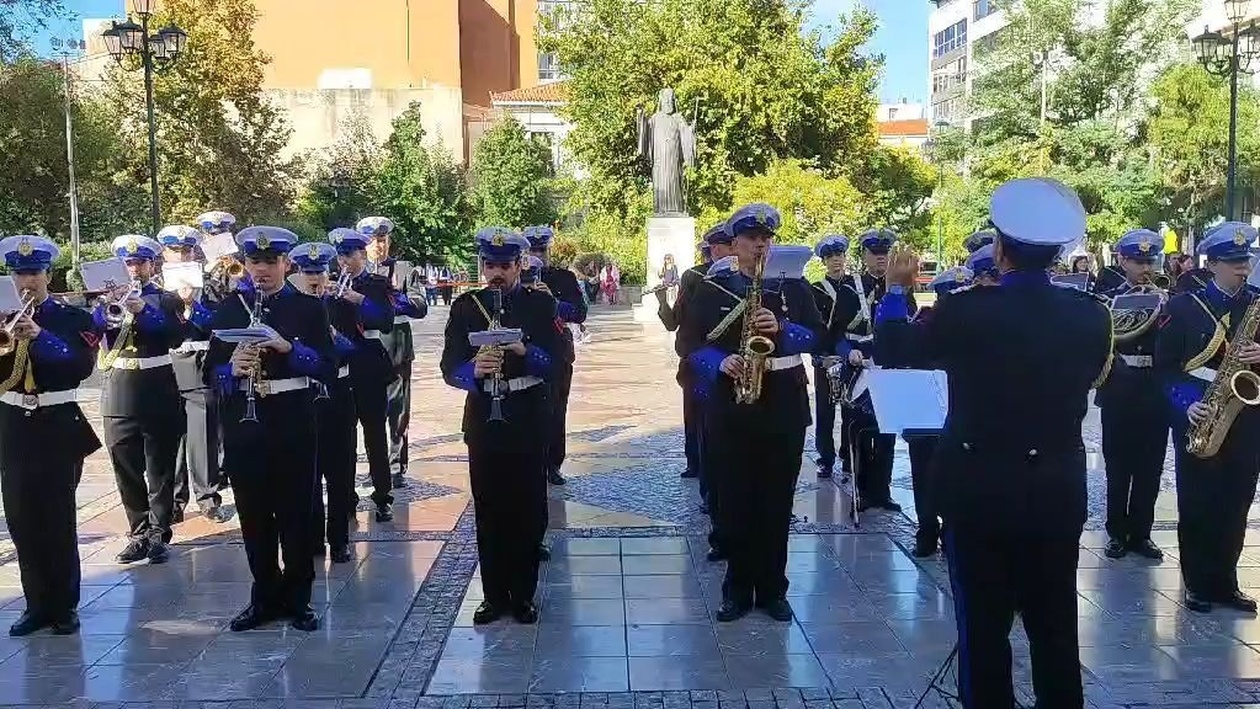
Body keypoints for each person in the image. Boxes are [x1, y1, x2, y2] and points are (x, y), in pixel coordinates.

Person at [875, 177, 1111, 708]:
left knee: (983, 632)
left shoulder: (965, 311)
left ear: (1000, 249)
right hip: (1054, 489)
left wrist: (896, 291)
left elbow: (894, 348)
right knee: (1055, 630)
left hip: (979, 490)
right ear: (1056, 252)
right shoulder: (1091, 314)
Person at [678, 204, 825, 622]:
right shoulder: (714, 288)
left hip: (783, 404)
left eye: (765, 239)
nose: (759, 245)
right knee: (735, 501)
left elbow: (816, 337)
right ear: (735, 243)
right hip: (732, 404)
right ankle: (737, 588)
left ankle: (774, 589)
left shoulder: (793, 287)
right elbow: (688, 344)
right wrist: (718, 363)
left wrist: (781, 329)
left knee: (777, 501)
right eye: (750, 239)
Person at [206, 226, 333, 632]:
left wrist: (288, 348)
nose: (261, 270)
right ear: (244, 264)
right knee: (254, 514)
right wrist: (231, 369)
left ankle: (299, 599)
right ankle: (263, 596)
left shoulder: (308, 308)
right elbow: (210, 370)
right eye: (254, 262)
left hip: (293, 417)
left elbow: (327, 367)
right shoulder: (230, 307)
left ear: (285, 264)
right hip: (245, 423)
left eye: (269, 262)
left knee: (296, 512)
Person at [440, 227, 562, 624]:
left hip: (527, 413)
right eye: (489, 265)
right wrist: (472, 370)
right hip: (482, 417)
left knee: (526, 507)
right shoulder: (465, 306)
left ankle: (524, 594)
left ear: (519, 266)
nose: (497, 273)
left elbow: (558, 364)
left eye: (505, 266)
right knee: (489, 508)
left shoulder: (539, 305)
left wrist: (524, 351)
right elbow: (448, 368)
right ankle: (493, 595)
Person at [1156, 221, 1260, 614]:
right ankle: (1197, 583)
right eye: (1233, 262)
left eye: (1245, 260)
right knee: (1199, 502)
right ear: (1211, 264)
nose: (1242, 268)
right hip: (1201, 412)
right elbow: (1165, 367)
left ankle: (1226, 582)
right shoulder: (1182, 307)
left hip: (1248, 417)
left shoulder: (1256, 303)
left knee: (1237, 501)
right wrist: (1185, 404)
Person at [0, 236, 100, 636]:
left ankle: (64, 605)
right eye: (20, 272)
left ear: (48, 274)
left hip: (56, 422)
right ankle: (35, 603)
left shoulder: (71, 317)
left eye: (34, 273)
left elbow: (80, 365)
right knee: (22, 518)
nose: (27, 280)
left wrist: (39, 335)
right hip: (12, 424)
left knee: (57, 518)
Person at [97, 235, 186, 565]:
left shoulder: (166, 299)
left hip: (157, 388)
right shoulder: (105, 299)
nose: (133, 269)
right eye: (128, 263)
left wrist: (143, 311)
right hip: (119, 389)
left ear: (152, 265)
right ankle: (137, 532)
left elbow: (177, 336)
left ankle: (158, 533)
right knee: (126, 468)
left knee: (159, 468)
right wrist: (105, 308)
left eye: (139, 263)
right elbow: (93, 334)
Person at [877, 265, 973, 558]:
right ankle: (928, 529)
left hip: (961, 415)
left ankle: (946, 531)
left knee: (953, 475)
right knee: (925, 472)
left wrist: (894, 291)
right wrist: (894, 292)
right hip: (928, 410)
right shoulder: (926, 325)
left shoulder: (981, 325)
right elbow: (889, 344)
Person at [1096, 229, 1168, 562]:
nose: (1145, 268)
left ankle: (1142, 532)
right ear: (1122, 260)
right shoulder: (1107, 299)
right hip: (1120, 388)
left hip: (1154, 389)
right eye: (1138, 261)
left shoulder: (1168, 298)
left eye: (1149, 261)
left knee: (1150, 466)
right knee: (1118, 465)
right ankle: (1116, 532)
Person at [292, 242, 357, 564]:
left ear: (328, 273)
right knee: (307, 471)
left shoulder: (340, 304)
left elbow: (356, 349)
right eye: (308, 272)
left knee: (340, 470)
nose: (314, 278)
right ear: (299, 274)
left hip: (339, 390)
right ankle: (314, 537)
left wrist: (334, 338)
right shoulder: (294, 307)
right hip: (304, 393)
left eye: (319, 271)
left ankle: (340, 539)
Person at [834, 228, 907, 512]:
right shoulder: (851, 288)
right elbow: (834, 334)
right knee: (859, 431)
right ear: (864, 256)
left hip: (888, 366)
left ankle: (882, 490)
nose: (880, 259)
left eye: (884, 254)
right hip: (857, 364)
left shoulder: (899, 289)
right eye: (875, 254)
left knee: (887, 432)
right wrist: (846, 352)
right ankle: (861, 490)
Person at [159, 225, 226, 524]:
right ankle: (174, 499)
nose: (182, 256)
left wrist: (192, 305)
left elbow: (220, 321)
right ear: (164, 255)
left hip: (200, 364)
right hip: (167, 367)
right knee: (172, 438)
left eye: (187, 250)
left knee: (203, 435)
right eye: (176, 251)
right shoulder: (155, 290)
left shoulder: (209, 284)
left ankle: (208, 497)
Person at [332, 227, 398, 521]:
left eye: (349, 254)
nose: (343, 261)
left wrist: (357, 299)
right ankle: (346, 496)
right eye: (340, 255)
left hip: (369, 363)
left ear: (362, 253)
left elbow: (385, 320)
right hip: (342, 368)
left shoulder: (377, 283)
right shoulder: (330, 285)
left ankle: (383, 494)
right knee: (343, 436)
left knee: (374, 433)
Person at [358, 217, 428, 490]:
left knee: (397, 411)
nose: (379, 245)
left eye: (383, 240)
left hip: (396, 349)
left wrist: (394, 302)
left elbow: (420, 306)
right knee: (368, 413)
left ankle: (396, 463)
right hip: (364, 351)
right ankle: (375, 466)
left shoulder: (403, 269)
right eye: (374, 241)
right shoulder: (355, 273)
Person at [524, 225, 586, 486]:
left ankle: (553, 464)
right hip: (526, 352)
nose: (539, 254)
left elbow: (580, 312)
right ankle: (529, 462)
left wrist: (553, 302)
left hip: (558, 352)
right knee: (527, 409)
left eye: (542, 249)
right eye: (533, 249)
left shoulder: (564, 278)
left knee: (557, 409)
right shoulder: (517, 275)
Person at [809, 234, 850, 480]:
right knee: (825, 410)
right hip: (825, 356)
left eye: (839, 256)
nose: (836, 261)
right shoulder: (815, 290)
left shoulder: (855, 286)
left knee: (849, 408)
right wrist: (817, 354)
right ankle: (825, 457)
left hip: (848, 354)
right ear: (824, 261)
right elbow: (814, 325)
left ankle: (847, 455)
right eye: (831, 257)